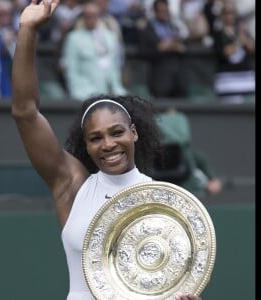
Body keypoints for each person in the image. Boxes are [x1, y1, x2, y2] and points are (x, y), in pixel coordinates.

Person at [11, 1, 203, 299]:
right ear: (86, 145)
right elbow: (25, 112)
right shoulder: (72, 187)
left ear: (134, 133)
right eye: (96, 138)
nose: (108, 144)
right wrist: (27, 31)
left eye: (116, 133)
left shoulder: (163, 202)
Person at [61, 2, 127, 100]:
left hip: (112, 90)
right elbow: (71, 70)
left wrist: (116, 88)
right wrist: (79, 92)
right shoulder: (74, 38)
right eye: (88, 16)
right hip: (85, 93)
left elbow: (114, 66)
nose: (91, 19)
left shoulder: (110, 36)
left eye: (94, 16)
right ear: (83, 17)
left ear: (99, 16)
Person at [138, 0, 188, 100]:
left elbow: (184, 45)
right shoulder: (147, 29)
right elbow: (143, 52)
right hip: (160, 79)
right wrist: (159, 48)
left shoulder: (174, 26)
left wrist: (176, 46)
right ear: (155, 12)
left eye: (166, 11)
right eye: (161, 11)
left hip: (177, 78)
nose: (164, 14)